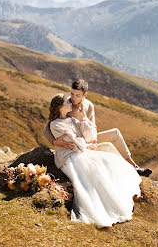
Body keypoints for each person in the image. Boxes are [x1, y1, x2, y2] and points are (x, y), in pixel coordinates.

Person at [48, 93, 142, 228]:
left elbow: (87, 136)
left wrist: (84, 117)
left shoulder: (71, 120)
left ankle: (125, 193)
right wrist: (85, 144)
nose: (70, 102)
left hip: (80, 152)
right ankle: (109, 205)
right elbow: (75, 143)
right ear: (61, 107)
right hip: (69, 158)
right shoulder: (55, 124)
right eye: (67, 102)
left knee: (110, 160)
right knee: (96, 169)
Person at [43, 79, 152, 177]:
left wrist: (93, 141)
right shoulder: (65, 104)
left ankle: (134, 166)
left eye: (77, 95)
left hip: (88, 138)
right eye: (72, 93)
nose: (73, 98)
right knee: (107, 147)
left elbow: (93, 126)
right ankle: (129, 170)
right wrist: (55, 142)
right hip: (76, 142)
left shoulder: (89, 106)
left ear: (84, 95)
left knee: (115, 133)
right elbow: (47, 128)